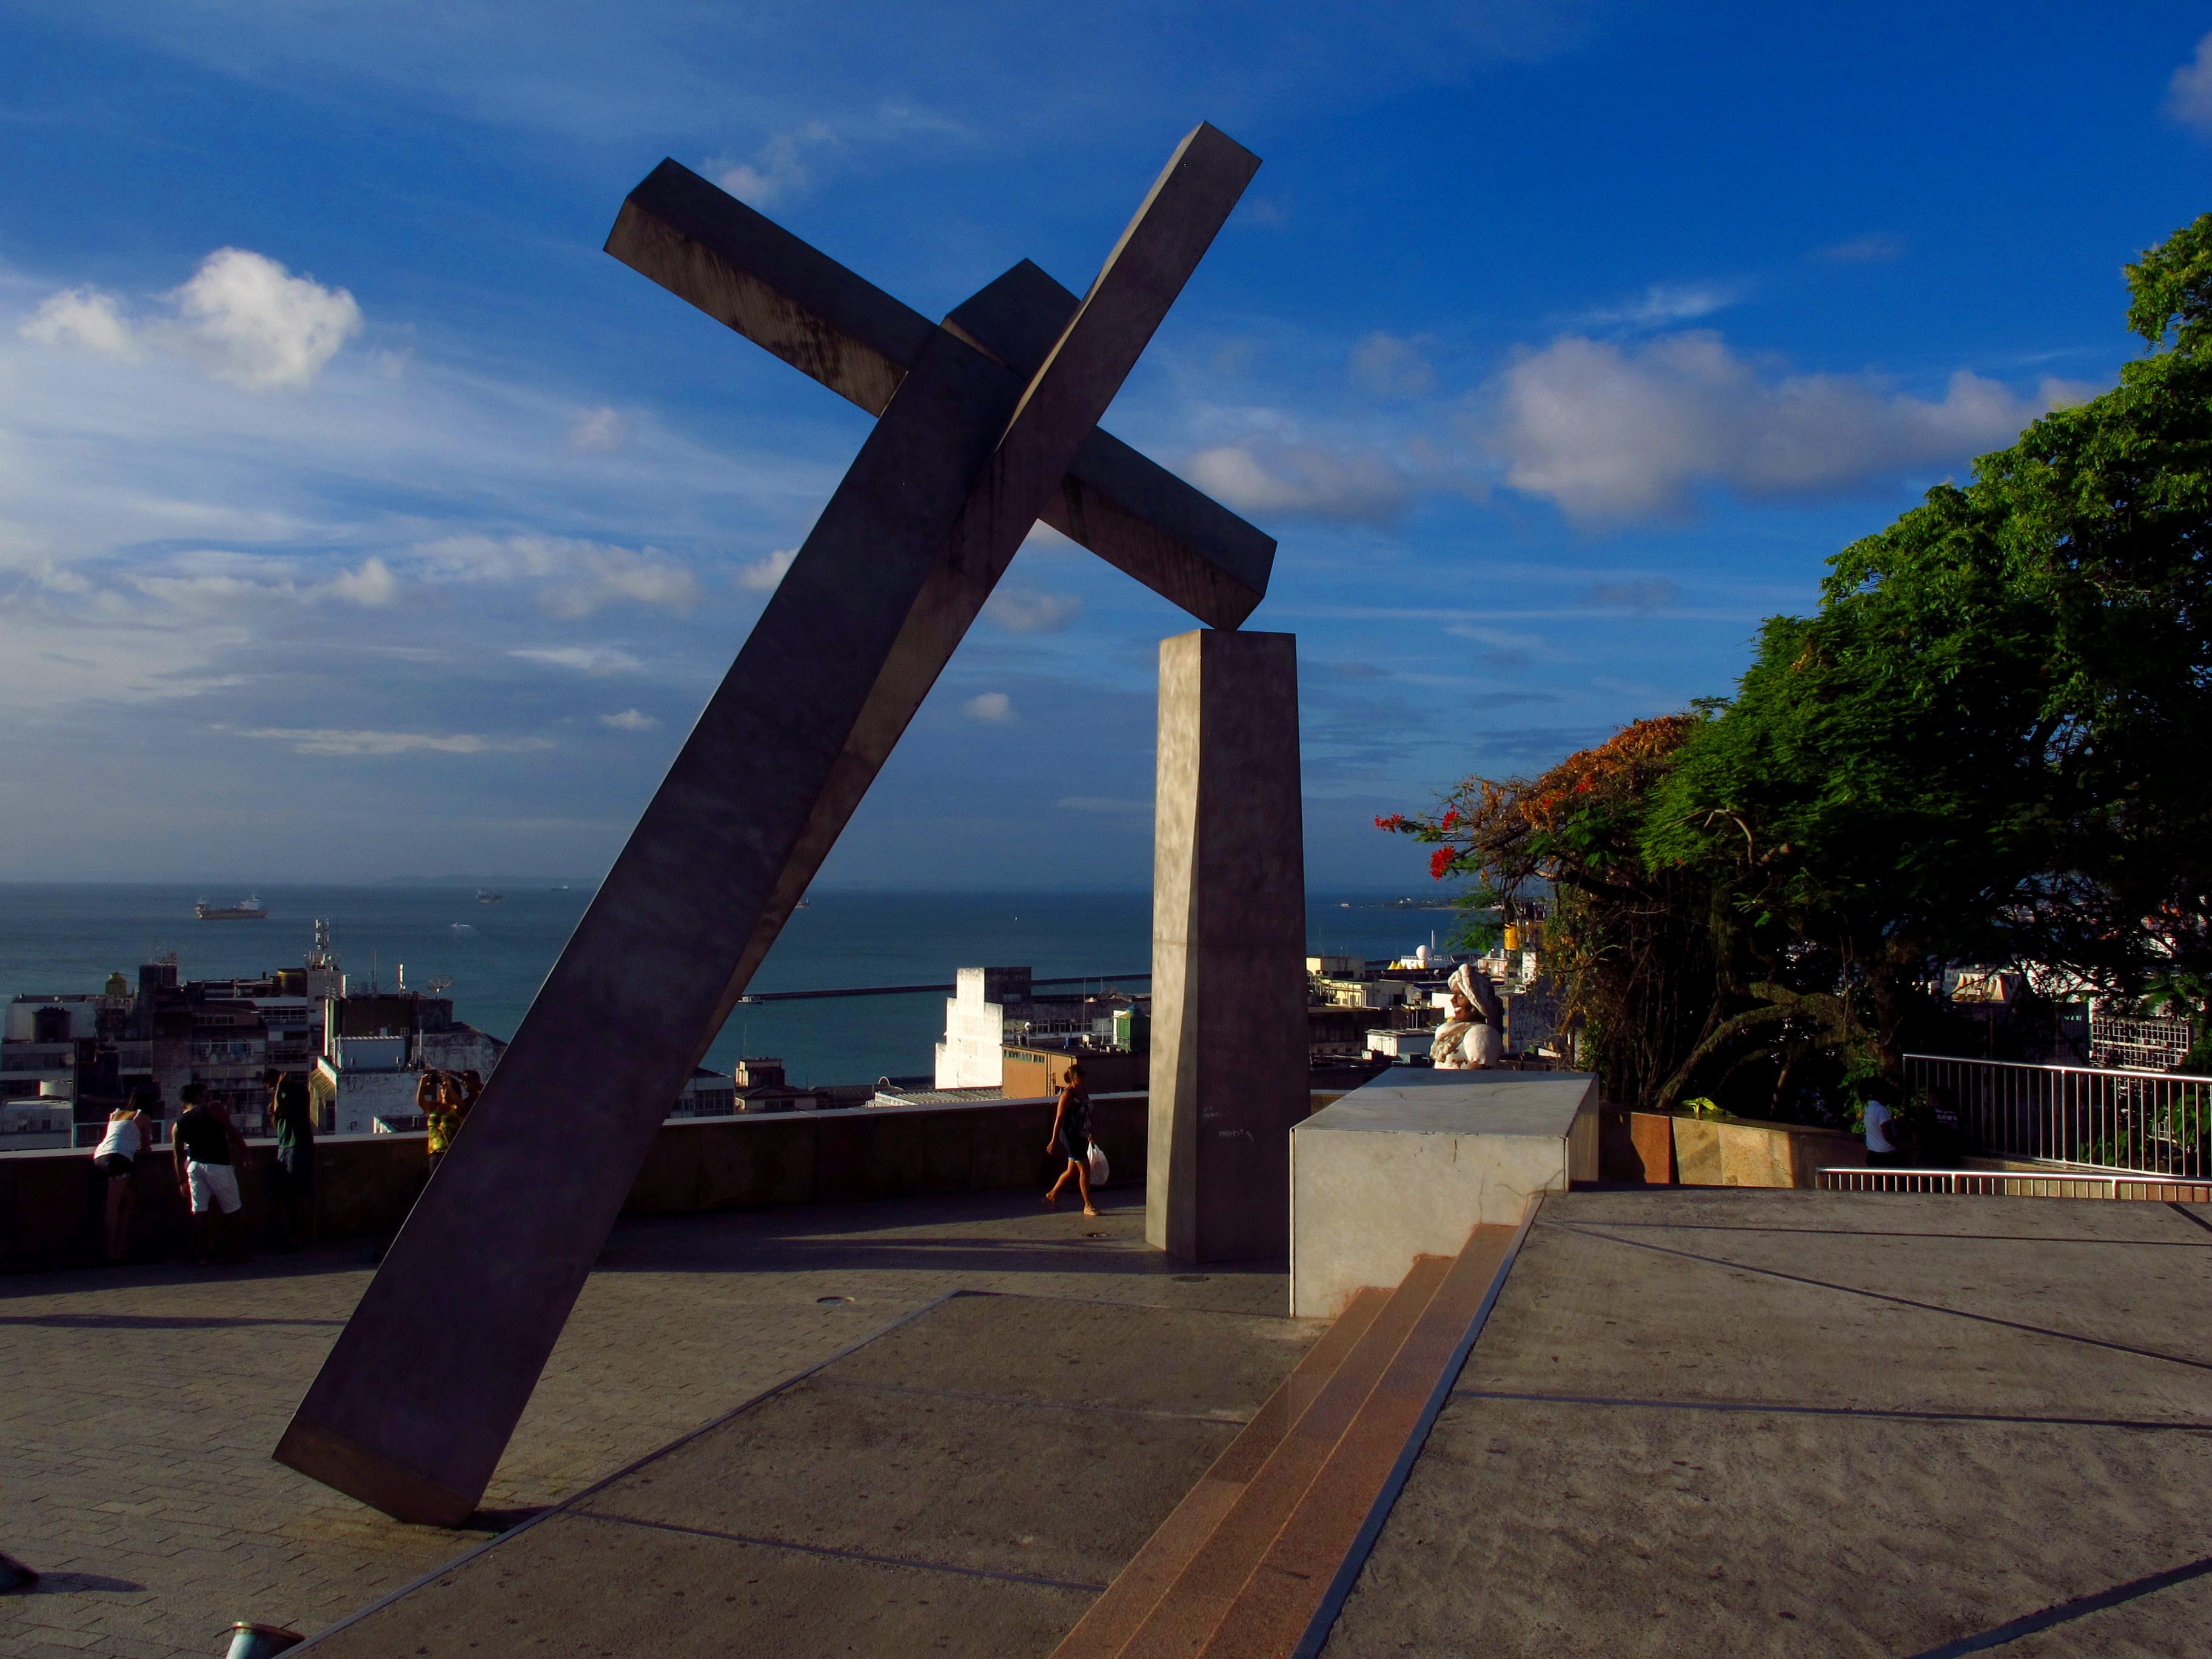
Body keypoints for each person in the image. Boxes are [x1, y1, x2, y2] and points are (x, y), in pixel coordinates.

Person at [172, 1082, 249, 1265]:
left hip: (194, 1166)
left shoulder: (178, 1125)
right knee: (232, 1209)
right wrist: (245, 1152)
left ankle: (202, 1255)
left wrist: (181, 1181)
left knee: (199, 1211)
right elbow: (230, 1130)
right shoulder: (212, 1108)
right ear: (199, 1097)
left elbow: (177, 1156)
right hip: (218, 1165)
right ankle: (234, 1253)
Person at [92, 1088, 156, 1261]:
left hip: (100, 1156)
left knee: (129, 1199)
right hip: (119, 1159)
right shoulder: (143, 1117)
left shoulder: (116, 1114)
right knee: (112, 1208)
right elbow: (146, 1146)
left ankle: (120, 1245)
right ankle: (111, 1250)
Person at [1042, 1062, 1098, 1216]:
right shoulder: (1068, 1095)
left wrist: (1090, 1133)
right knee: (1084, 1169)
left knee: (1071, 1170)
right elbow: (1059, 1118)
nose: (1084, 1078)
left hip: (1081, 1134)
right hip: (1070, 1136)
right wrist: (1054, 1140)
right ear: (1074, 1078)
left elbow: (1086, 1114)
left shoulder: (1083, 1091)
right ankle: (1088, 1204)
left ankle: (1052, 1194)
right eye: (1080, 1076)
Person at [268, 1072, 316, 1251]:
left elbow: (280, 1108)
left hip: (298, 1146)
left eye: (273, 1087)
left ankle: (299, 1235)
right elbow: (277, 1121)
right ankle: (291, 1233)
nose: (273, 1091)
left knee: (297, 1192)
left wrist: (279, 1089)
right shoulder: (280, 1097)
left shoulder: (297, 1093)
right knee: (287, 1193)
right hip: (285, 1146)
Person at [1864, 1097, 1902, 1167]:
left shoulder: (1869, 1109)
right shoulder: (1881, 1110)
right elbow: (1887, 1134)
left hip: (1873, 1154)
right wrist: (1900, 1146)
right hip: (1885, 1156)